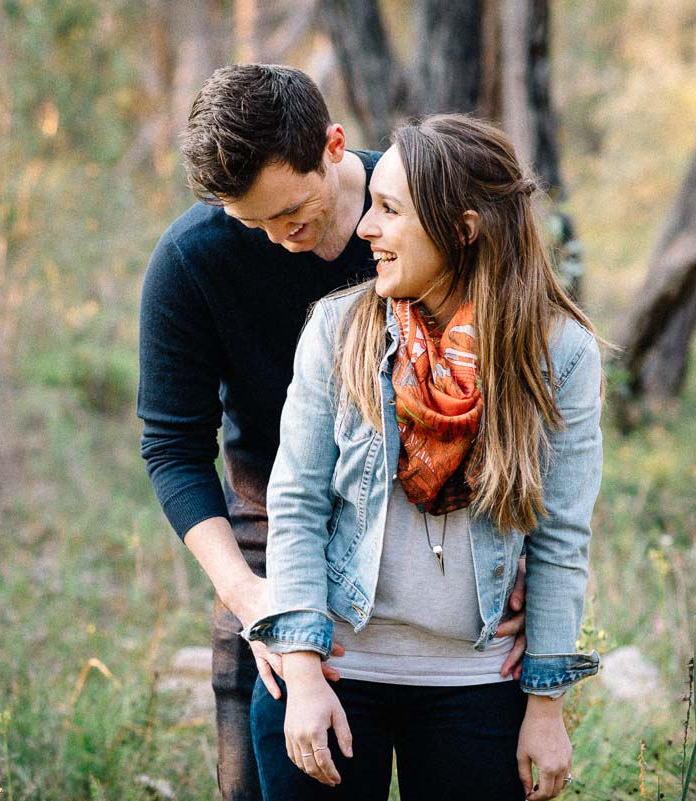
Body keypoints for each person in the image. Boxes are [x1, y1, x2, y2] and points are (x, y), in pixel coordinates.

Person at [137, 66, 528, 801]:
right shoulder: (190, 261)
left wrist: (519, 551)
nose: (278, 238)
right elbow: (173, 445)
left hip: (442, 536)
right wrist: (246, 594)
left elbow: (516, 377)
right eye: (249, 222)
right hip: (269, 531)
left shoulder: (427, 210)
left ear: (333, 145)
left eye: (289, 211)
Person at [246, 114, 603, 801]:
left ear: (462, 229)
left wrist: (547, 703)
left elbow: (561, 536)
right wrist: (303, 668)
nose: (364, 230)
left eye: (388, 210)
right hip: (338, 672)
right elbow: (294, 504)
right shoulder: (337, 330)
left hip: (477, 686)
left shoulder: (560, 354)